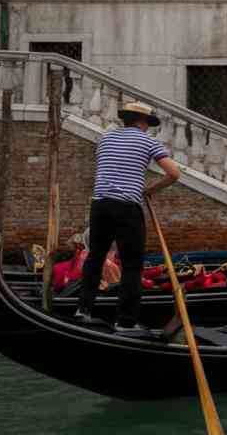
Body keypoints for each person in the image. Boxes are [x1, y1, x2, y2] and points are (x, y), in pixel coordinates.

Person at [75, 101, 180, 335]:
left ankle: (83, 310)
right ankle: (125, 322)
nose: (148, 128)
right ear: (143, 122)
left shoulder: (106, 139)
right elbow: (174, 174)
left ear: (126, 120)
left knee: (95, 258)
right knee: (132, 266)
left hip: (100, 205)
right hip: (127, 208)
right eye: (147, 124)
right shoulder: (148, 141)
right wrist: (151, 189)